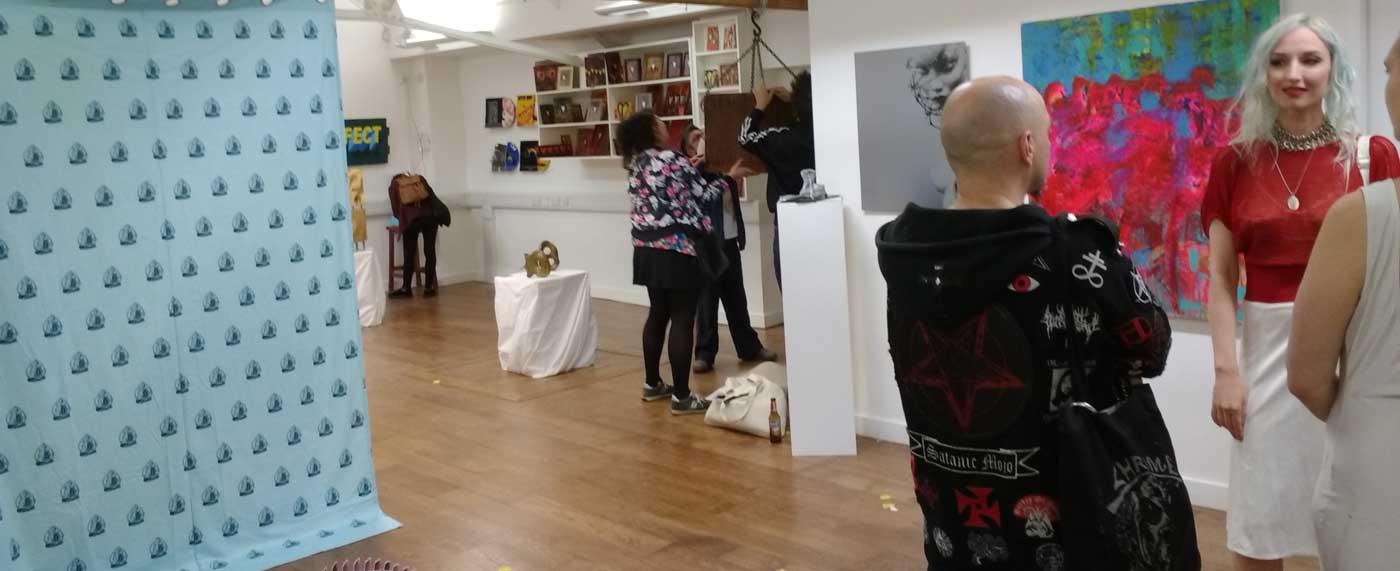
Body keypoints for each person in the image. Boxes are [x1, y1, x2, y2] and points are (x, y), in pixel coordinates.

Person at [876, 76, 1176, 569]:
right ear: (1027, 145)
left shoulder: (908, 256)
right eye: (1048, 135)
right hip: (1066, 528)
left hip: (951, 530)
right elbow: (1151, 348)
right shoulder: (1076, 251)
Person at [1199, 14, 1400, 570]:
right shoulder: (1234, 162)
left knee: (1357, 517)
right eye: (1279, 61)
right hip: (1266, 357)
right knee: (1259, 523)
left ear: (1333, 68)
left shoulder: (1373, 155)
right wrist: (1225, 372)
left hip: (1356, 353)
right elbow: (1221, 277)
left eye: (1310, 60)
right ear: (1262, 73)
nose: (1294, 74)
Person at [1287, 32, 1400, 570]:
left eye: (1391, 69)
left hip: (1379, 472)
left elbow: (1307, 377)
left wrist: (1360, 409)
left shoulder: (1364, 214)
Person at [620, 111, 752, 414]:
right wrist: (729, 177)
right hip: (676, 249)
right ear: (652, 130)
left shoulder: (637, 163)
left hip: (645, 249)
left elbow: (671, 192)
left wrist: (689, 169)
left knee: (658, 314)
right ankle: (681, 396)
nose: (665, 124)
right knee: (682, 318)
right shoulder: (672, 159)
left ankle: (652, 384)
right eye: (659, 121)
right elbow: (702, 196)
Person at [679, 125, 780, 373]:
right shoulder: (692, 170)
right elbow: (701, 197)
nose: (703, 138)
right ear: (689, 148)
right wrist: (704, 166)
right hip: (707, 242)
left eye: (704, 134)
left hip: (729, 239)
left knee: (736, 297)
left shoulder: (723, 165)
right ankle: (704, 353)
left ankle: (749, 347)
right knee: (707, 300)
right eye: (696, 137)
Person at [738, 71, 815, 288]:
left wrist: (760, 106)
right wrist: (795, 101)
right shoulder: (824, 133)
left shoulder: (783, 137)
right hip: (821, 217)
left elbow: (745, 136)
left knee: (790, 287)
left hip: (787, 219)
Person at [388, 173, 447, 298]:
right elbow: (431, 196)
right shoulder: (419, 179)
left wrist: (399, 222)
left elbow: (395, 210)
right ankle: (429, 287)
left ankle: (406, 288)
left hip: (411, 220)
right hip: (430, 217)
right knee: (430, 251)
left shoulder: (394, 185)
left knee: (409, 252)